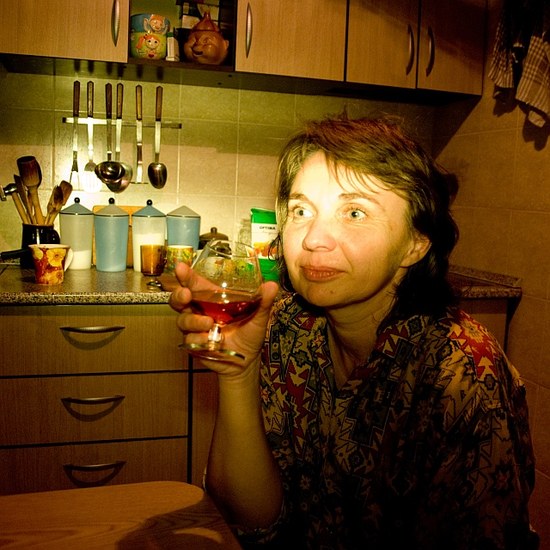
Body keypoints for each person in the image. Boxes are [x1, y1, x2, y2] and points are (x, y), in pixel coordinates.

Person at [168, 115, 538, 549]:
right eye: (301, 211)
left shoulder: (460, 373)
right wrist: (238, 374)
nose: (313, 239)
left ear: (415, 243)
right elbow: (250, 521)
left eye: (355, 212)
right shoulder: (289, 327)